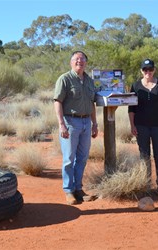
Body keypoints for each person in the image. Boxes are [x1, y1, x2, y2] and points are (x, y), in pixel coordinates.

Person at [53, 51, 98, 205]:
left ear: (86, 62)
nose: (80, 61)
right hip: (70, 122)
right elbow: (57, 101)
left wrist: (95, 123)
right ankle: (68, 191)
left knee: (82, 158)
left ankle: (78, 189)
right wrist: (61, 124)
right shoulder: (65, 79)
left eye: (83, 59)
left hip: (86, 122)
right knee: (69, 159)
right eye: (76, 59)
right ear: (71, 62)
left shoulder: (89, 81)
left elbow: (92, 103)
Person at [128, 58, 158, 197]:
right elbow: (131, 108)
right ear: (141, 71)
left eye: (150, 69)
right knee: (144, 156)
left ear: (154, 70)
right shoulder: (135, 86)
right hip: (141, 126)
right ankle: (146, 185)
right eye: (145, 70)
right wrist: (132, 125)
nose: (148, 72)